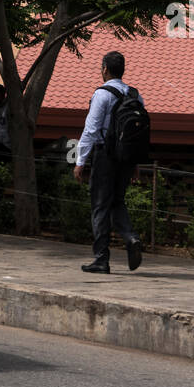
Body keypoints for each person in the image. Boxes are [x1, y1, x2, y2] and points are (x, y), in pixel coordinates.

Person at [74, 51, 143, 274]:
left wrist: (80, 160)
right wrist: (135, 163)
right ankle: (131, 237)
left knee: (100, 206)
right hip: (126, 158)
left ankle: (101, 259)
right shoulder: (135, 95)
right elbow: (137, 134)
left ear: (105, 69)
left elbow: (91, 129)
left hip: (105, 157)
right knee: (118, 201)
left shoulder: (102, 95)